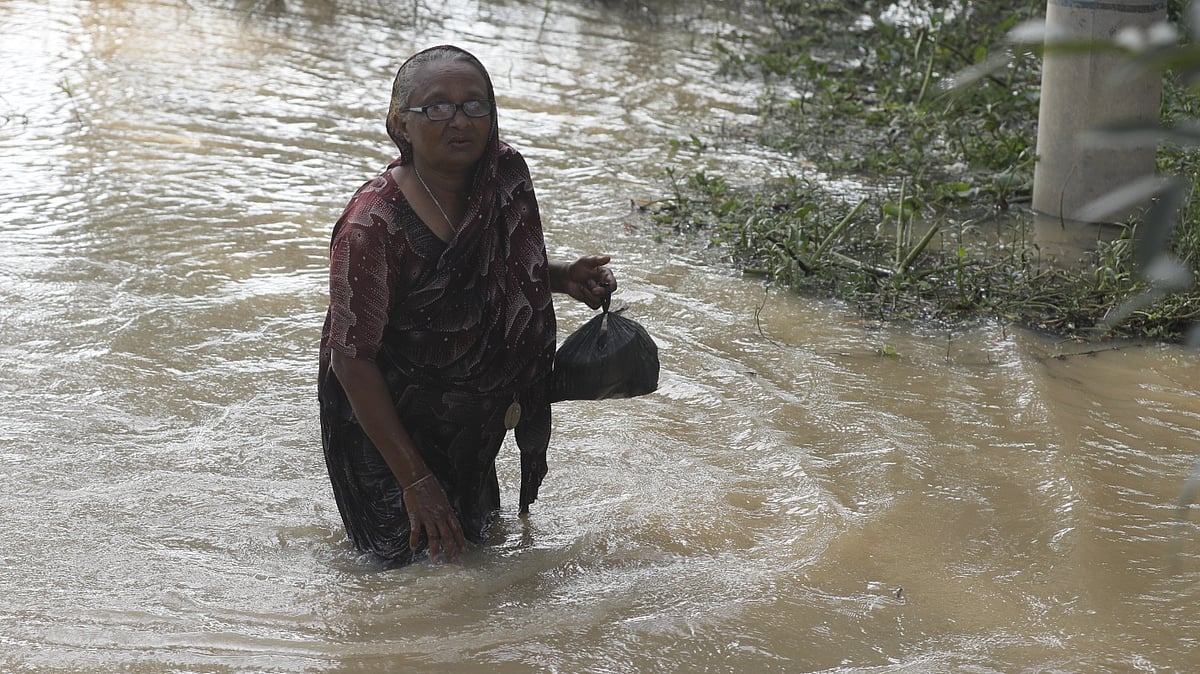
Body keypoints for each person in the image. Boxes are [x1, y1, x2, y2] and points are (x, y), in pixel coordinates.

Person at [318, 45, 616, 566]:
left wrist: (564, 277)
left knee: (474, 556)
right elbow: (351, 359)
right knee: (396, 575)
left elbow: (498, 270)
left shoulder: (503, 174)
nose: (459, 121)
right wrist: (414, 479)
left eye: (474, 106)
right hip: (382, 421)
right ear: (400, 124)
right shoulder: (372, 225)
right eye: (436, 107)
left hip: (472, 416)